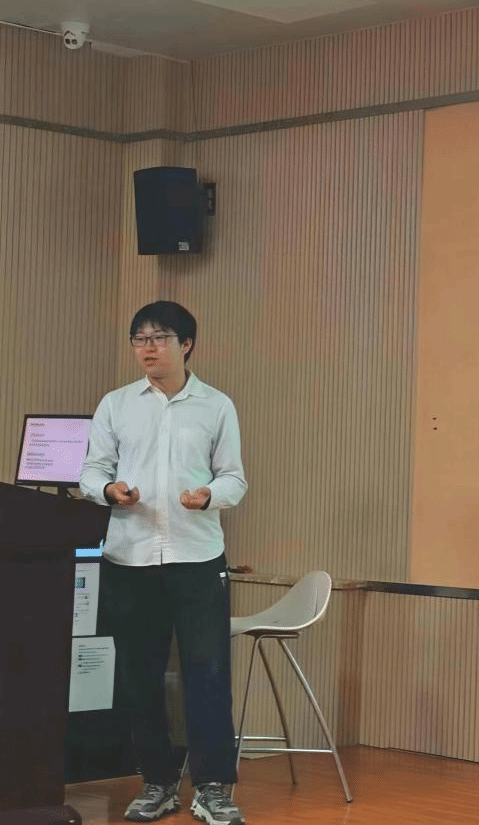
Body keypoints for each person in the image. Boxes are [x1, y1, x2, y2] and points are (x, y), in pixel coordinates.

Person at [79, 301, 248, 825]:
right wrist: (109, 490)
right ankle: (156, 781)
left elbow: (234, 477)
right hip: (130, 557)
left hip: (197, 557)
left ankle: (213, 787)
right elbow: (91, 471)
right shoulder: (116, 404)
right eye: (139, 339)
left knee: (207, 675)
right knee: (140, 677)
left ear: (186, 344)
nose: (147, 348)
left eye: (158, 338)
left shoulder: (215, 405)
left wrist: (210, 494)